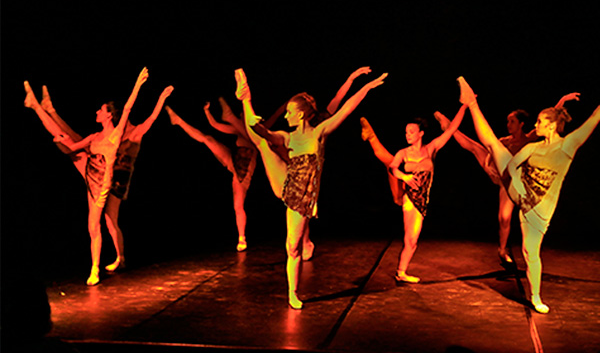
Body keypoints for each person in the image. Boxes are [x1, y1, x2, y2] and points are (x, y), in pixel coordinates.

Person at [235, 67, 387, 309]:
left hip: (303, 197)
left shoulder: (319, 133)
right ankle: (246, 97)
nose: (286, 116)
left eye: (289, 113)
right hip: (286, 183)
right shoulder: (287, 137)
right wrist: (254, 119)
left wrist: (366, 87)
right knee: (262, 143)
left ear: (301, 115)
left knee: (292, 246)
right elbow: (264, 133)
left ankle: (296, 282)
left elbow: (346, 107)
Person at [457, 76, 600, 313]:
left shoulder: (568, 145)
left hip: (540, 210)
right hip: (521, 191)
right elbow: (513, 165)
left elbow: (595, 118)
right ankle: (471, 101)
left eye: (540, 121)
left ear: (551, 125)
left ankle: (536, 296)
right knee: (493, 143)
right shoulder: (533, 147)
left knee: (530, 252)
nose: (536, 124)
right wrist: (517, 185)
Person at [24, 67, 150, 285]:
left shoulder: (117, 133)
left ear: (109, 115)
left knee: (104, 223)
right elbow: (72, 147)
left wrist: (138, 84)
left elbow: (128, 108)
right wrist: (60, 142)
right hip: (91, 172)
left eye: (101, 110)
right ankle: (39, 107)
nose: (97, 112)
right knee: (69, 138)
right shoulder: (94, 136)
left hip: (105, 182)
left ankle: (106, 264)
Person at [433, 93, 580, 265]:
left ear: (521, 124)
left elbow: (550, 119)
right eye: (508, 121)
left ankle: (502, 250)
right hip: (502, 177)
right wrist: (487, 165)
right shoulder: (504, 141)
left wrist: (562, 100)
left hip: (515, 183)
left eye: (512, 121)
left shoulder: (529, 138)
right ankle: (449, 127)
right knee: (475, 147)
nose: (508, 125)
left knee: (504, 218)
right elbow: (491, 150)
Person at [361, 94, 467, 284]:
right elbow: (393, 168)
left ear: (421, 133)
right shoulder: (403, 152)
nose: (407, 135)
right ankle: (401, 272)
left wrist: (465, 106)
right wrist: (405, 176)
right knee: (410, 240)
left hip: (422, 198)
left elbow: (451, 129)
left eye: (411, 132)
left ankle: (401, 272)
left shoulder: (431, 148)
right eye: (406, 132)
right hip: (408, 197)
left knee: (412, 241)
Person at [166, 98, 258, 252]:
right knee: (207, 139)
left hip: (242, 172)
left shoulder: (255, 131)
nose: (242, 116)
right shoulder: (237, 130)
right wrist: (207, 111)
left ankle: (242, 237)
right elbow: (215, 125)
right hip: (232, 160)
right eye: (240, 115)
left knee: (238, 205)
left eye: (242, 115)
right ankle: (178, 121)